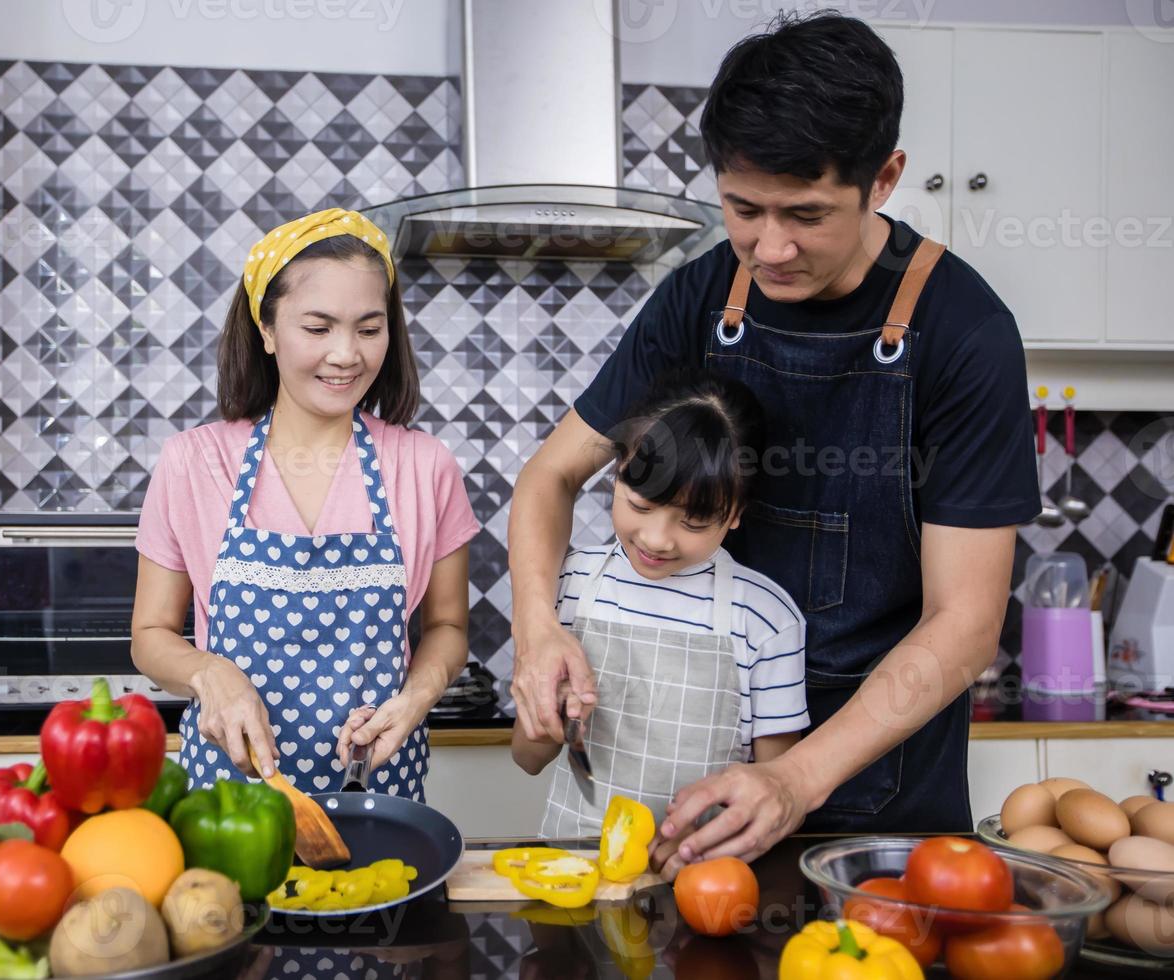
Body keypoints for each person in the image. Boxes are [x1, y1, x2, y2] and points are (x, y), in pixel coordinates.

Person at [507, 12, 1038, 875]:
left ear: (885, 178)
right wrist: (538, 630)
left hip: (880, 794)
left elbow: (967, 623)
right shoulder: (701, 295)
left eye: (806, 214)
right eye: (742, 209)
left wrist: (796, 776)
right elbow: (549, 477)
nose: (771, 246)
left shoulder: (963, 332)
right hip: (699, 784)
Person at [132, 207, 480, 802]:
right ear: (266, 330)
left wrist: (418, 696)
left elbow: (447, 626)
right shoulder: (194, 463)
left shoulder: (425, 468)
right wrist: (210, 673)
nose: (346, 354)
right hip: (229, 800)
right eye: (318, 328)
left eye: (369, 330)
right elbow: (150, 633)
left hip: (378, 791)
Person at [511, 369, 809, 837]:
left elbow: (776, 796)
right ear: (616, 475)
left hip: (705, 880)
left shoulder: (766, 618)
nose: (656, 539)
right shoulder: (570, 580)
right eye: (641, 504)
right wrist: (553, 722)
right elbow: (526, 760)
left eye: (693, 522)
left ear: (734, 514)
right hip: (575, 869)